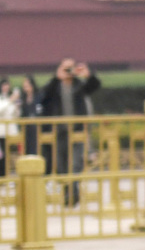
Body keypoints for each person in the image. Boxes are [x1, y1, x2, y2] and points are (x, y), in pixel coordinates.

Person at [40, 59, 101, 206]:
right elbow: (43, 97)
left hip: (77, 131)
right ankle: (69, 193)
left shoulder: (79, 85)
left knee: (75, 164)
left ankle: (72, 196)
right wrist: (56, 78)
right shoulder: (55, 86)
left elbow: (95, 86)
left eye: (70, 68)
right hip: (59, 131)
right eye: (65, 68)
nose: (68, 72)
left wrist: (88, 75)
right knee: (61, 165)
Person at [0, 77, 21, 178]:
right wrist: (10, 100)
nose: (6, 87)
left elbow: (15, 115)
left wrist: (16, 106)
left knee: (12, 156)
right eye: (4, 85)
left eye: (8, 85)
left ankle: (10, 176)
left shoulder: (8, 97)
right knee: (1, 157)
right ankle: (1, 178)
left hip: (11, 132)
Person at [19, 75, 41, 156]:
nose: (26, 86)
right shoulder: (23, 98)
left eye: (27, 84)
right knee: (27, 148)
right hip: (26, 128)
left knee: (36, 148)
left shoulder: (38, 96)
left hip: (37, 127)